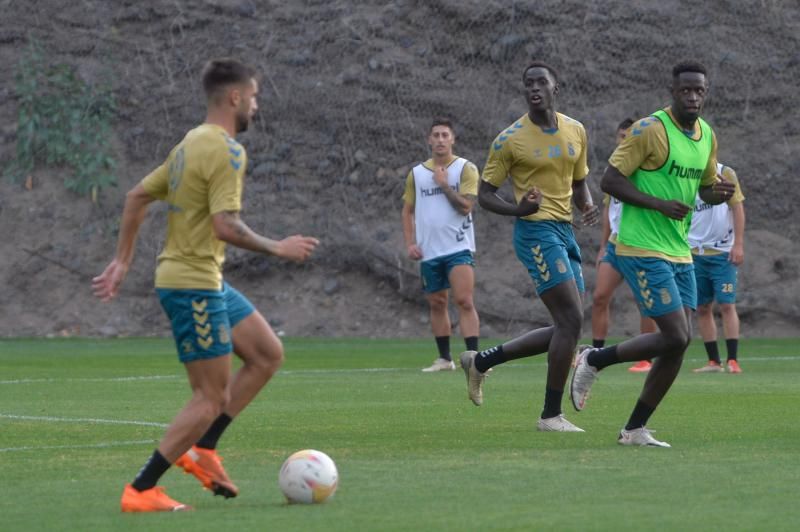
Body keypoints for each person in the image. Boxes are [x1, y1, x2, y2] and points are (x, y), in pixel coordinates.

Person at [92, 58, 319, 512]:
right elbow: (225, 226)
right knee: (210, 396)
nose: (256, 106)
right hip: (191, 283)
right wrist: (278, 247)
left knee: (266, 353)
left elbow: (136, 195)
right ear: (235, 98)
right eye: (253, 97)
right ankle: (141, 490)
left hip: (203, 279)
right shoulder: (227, 150)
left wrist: (122, 261)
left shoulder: (189, 143)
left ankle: (204, 449)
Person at [570, 61, 737, 447]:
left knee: (679, 343)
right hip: (640, 245)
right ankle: (594, 359)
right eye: (686, 90)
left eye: (699, 91)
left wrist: (719, 192)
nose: (693, 96)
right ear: (673, 91)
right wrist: (659, 204)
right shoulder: (650, 129)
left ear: (705, 93)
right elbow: (610, 180)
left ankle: (633, 430)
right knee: (675, 334)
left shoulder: (707, 135)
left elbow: (705, 186)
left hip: (680, 249)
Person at [459, 60, 599, 432]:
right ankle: (550, 416)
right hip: (535, 232)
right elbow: (485, 195)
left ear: (557, 88)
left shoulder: (576, 130)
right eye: (528, 84)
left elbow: (580, 179)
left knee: (567, 327)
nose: (535, 88)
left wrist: (586, 204)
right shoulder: (510, 139)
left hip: (565, 231)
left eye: (542, 82)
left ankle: (481, 362)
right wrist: (517, 209)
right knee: (571, 320)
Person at [402, 117, 481, 372]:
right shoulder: (417, 173)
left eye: (445, 135)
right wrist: (410, 242)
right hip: (429, 251)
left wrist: (444, 185)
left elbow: (466, 206)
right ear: (429, 139)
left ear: (453, 139)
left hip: (458, 247)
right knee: (437, 303)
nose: (440, 140)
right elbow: (407, 210)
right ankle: (445, 359)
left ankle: (475, 359)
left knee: (464, 300)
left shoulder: (465, 168)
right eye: (435, 135)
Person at [591, 119, 658, 373]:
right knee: (599, 297)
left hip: (638, 244)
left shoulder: (644, 170)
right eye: (621, 136)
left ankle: (645, 358)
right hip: (614, 245)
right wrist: (601, 246)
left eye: (628, 136)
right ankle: (596, 353)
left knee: (645, 302)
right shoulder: (615, 171)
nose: (623, 141)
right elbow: (610, 209)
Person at [690, 162, 746, 373]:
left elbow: (737, 207)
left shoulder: (724, 172)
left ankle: (733, 359)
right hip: (695, 252)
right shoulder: (687, 172)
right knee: (702, 307)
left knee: (726, 305)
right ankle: (714, 361)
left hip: (723, 253)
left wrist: (738, 244)